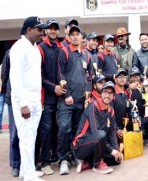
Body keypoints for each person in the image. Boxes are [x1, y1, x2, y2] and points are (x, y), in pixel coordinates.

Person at [10, 16, 49, 181]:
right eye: (39, 29)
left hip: (34, 98)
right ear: (29, 30)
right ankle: (30, 176)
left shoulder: (34, 48)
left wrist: (38, 100)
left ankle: (27, 170)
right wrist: (22, 104)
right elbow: (15, 78)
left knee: (31, 137)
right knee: (26, 137)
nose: (43, 32)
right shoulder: (18, 48)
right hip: (24, 99)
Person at [57, 25, 92, 175]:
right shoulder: (64, 52)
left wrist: (88, 92)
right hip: (67, 100)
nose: (76, 37)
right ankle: (63, 159)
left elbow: (89, 75)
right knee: (65, 128)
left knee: (79, 130)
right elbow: (60, 75)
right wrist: (67, 95)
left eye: (78, 34)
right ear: (69, 37)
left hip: (81, 100)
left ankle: (76, 155)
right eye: (73, 34)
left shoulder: (87, 55)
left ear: (82, 38)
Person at [72, 81, 123, 174]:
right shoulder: (94, 106)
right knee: (100, 134)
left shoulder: (111, 110)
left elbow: (111, 133)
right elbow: (96, 132)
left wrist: (116, 150)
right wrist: (111, 150)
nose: (108, 96)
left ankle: (88, 163)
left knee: (116, 160)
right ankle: (97, 164)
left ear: (113, 96)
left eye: (111, 93)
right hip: (81, 146)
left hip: (97, 144)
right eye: (106, 92)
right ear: (101, 93)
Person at [37, 18, 65, 175]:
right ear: (46, 31)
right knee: (46, 130)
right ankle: (44, 161)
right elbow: (38, 76)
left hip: (60, 97)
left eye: (56, 28)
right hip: (46, 97)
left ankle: (55, 156)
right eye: (50, 28)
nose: (53, 31)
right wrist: (53, 87)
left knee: (57, 128)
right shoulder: (40, 48)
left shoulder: (61, 47)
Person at [1, 49, 21, 177]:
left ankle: (29, 163)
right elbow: (5, 76)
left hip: (29, 99)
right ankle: (15, 164)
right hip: (13, 99)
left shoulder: (34, 51)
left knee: (29, 134)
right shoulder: (11, 53)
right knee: (14, 134)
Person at [129, 67, 148, 145]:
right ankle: (143, 137)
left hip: (147, 114)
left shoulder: (145, 85)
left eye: (137, 76)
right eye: (133, 76)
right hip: (136, 114)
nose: (135, 78)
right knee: (139, 123)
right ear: (130, 78)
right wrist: (129, 86)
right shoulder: (128, 88)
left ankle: (147, 137)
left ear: (140, 77)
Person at [114, 69, 133, 141]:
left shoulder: (127, 92)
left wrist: (135, 117)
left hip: (125, 125)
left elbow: (130, 108)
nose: (122, 79)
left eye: (124, 77)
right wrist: (116, 129)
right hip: (115, 128)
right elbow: (109, 115)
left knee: (137, 121)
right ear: (115, 79)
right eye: (119, 77)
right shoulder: (112, 93)